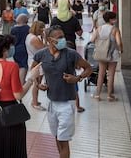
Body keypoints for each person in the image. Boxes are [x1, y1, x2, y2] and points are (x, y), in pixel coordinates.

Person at [31, 25, 92, 158]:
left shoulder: (71, 54)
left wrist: (77, 78)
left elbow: (88, 68)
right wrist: (38, 83)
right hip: (51, 102)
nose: (63, 40)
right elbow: (34, 71)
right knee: (57, 137)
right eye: (59, 38)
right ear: (49, 40)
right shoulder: (41, 55)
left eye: (63, 36)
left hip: (67, 103)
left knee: (63, 140)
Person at [0, 34, 40, 157]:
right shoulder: (12, 66)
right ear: (4, 49)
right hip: (10, 113)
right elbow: (18, 95)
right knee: (12, 148)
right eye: (10, 47)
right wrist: (30, 79)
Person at [90, 11, 123, 101]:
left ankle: (97, 95)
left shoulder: (99, 28)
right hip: (113, 54)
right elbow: (119, 42)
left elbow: (92, 40)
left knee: (101, 74)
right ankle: (110, 95)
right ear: (111, 19)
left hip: (102, 53)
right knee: (111, 75)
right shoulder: (115, 29)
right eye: (114, 18)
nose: (115, 20)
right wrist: (121, 50)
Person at [25, 21, 46, 111]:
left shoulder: (29, 36)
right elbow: (45, 49)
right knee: (37, 83)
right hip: (37, 63)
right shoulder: (35, 39)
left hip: (31, 59)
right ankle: (35, 102)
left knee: (36, 82)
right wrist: (44, 38)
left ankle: (34, 100)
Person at [11, 14, 30, 84]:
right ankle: (21, 81)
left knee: (18, 65)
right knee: (23, 65)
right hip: (24, 48)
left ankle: (18, 80)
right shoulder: (28, 28)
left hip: (15, 49)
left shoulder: (13, 29)